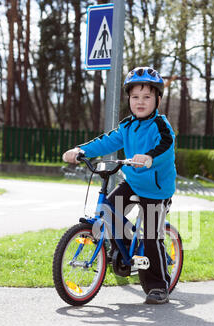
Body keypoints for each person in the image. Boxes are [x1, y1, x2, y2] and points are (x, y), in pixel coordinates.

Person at [63, 66, 177, 304]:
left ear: (157, 99)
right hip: (134, 182)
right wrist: (81, 150)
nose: (140, 102)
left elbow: (166, 146)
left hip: (157, 189)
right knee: (108, 210)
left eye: (147, 97)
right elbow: (105, 142)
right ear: (129, 99)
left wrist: (149, 157)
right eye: (135, 97)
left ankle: (158, 286)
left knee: (151, 236)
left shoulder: (161, 126)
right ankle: (125, 254)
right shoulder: (127, 126)